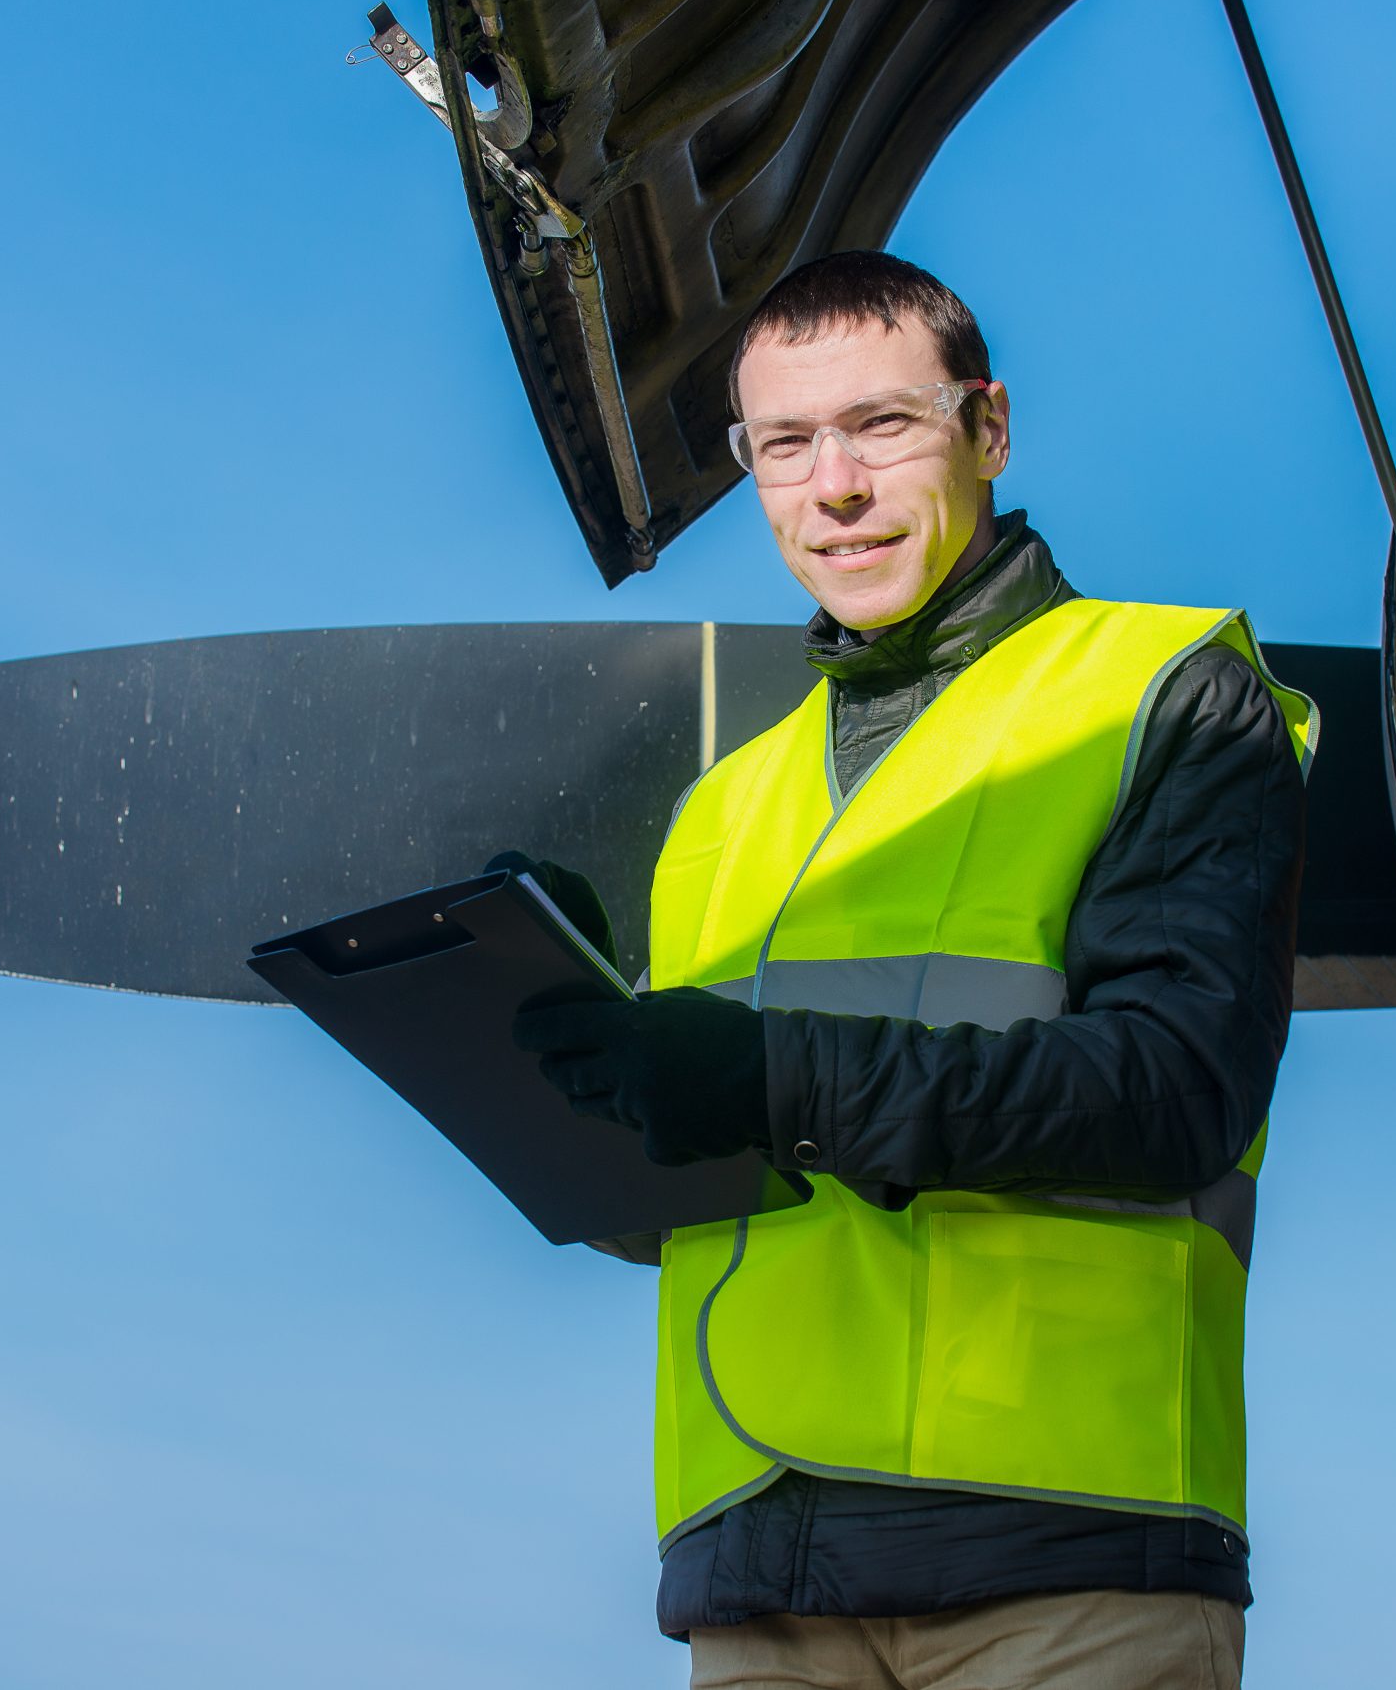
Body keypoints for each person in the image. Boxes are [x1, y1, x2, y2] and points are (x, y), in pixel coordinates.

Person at [506, 250, 1312, 1690]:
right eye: (786, 445)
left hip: (1066, 1562)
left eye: (883, 426)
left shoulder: (1165, 689)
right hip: (756, 1577)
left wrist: (763, 1074)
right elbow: (700, 1205)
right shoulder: (723, 810)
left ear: (987, 429)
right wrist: (585, 1069)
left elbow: (1176, 1086)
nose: (836, 488)